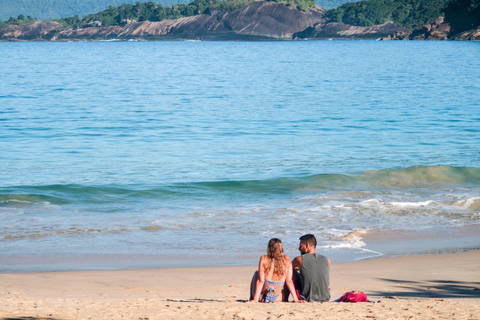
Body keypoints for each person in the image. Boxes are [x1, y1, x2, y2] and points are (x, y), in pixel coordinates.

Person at [249, 238, 303, 303]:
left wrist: (255, 299)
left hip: (262, 297)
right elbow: (289, 281)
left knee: (256, 273)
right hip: (278, 298)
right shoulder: (286, 259)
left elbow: (261, 281)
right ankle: (285, 299)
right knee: (287, 280)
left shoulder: (264, 258)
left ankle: (252, 298)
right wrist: (296, 299)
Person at [291, 234, 330, 302]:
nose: (299, 248)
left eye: (300, 246)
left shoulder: (299, 259)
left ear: (306, 246)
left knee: (290, 271)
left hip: (306, 297)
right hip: (325, 297)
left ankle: (285, 297)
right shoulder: (327, 260)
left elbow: (286, 269)